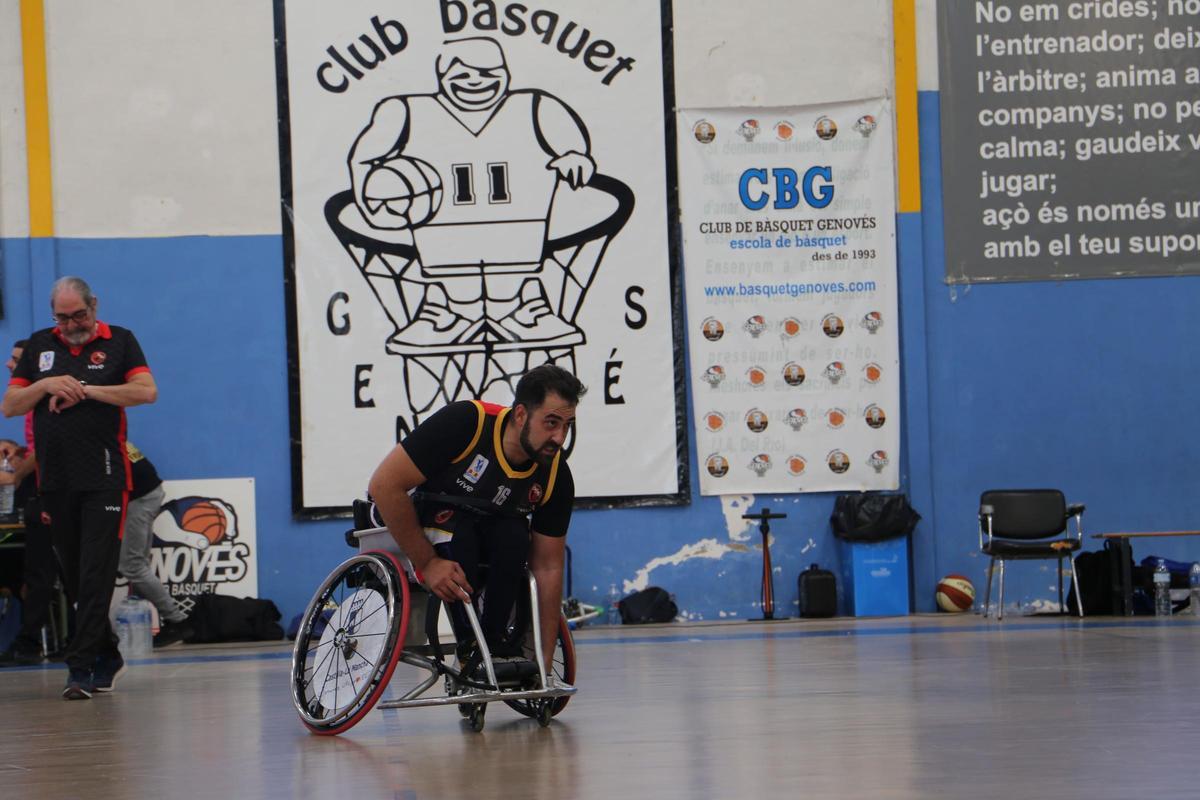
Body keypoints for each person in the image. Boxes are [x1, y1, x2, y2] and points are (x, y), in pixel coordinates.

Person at [367, 364, 583, 676]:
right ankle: (470, 647)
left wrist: (544, 661)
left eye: (567, 425)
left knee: (515, 536)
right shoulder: (467, 422)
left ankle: (492, 646)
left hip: (485, 528)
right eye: (551, 423)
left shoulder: (555, 474)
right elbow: (384, 486)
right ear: (520, 415)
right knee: (460, 535)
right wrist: (427, 563)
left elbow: (548, 567)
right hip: (417, 514)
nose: (559, 437)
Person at [2, 277, 157, 699]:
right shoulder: (38, 347)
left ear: (94, 306)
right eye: (63, 317)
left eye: (80, 315)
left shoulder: (120, 340)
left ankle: (80, 668)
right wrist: (46, 384)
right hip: (55, 480)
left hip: (106, 478)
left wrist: (87, 391)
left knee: (95, 573)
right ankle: (108, 654)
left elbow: (147, 392)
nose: (72, 325)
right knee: (73, 575)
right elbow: (11, 404)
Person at [0, 339, 62, 667]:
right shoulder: (29, 404)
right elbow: (37, 449)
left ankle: (30, 642)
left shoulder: (44, 399)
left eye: (15, 360)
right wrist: (18, 452)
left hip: (53, 497)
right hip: (47, 494)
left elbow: (45, 451)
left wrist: (15, 475)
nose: (10, 365)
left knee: (43, 572)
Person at [119, 441, 192, 648]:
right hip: (146, 491)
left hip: (140, 496)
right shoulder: (105, 427)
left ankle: (177, 621)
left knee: (132, 566)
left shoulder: (90, 437)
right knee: (136, 565)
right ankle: (173, 621)